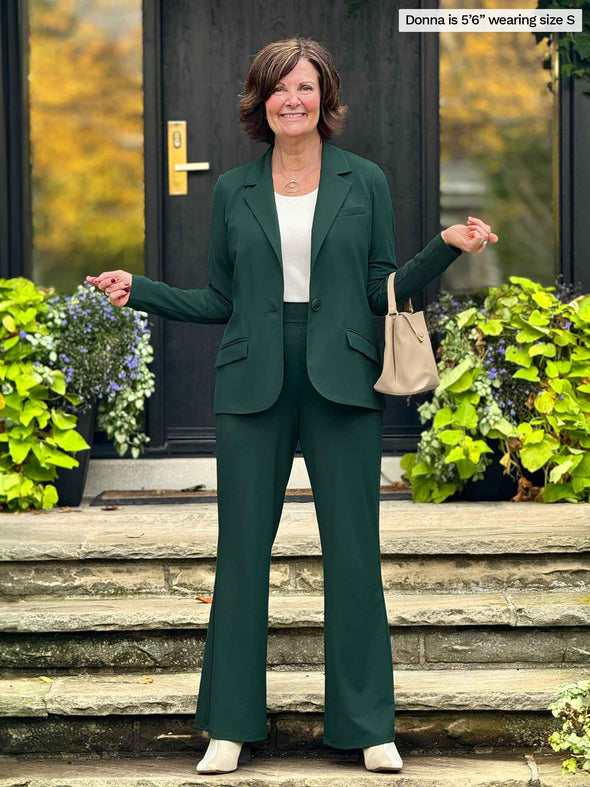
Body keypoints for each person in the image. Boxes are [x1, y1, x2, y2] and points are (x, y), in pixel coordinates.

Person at [86, 37, 497, 775]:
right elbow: (219, 298)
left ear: (325, 98)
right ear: (261, 101)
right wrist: (139, 290)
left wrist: (443, 246)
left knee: (354, 556)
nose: (292, 100)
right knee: (242, 554)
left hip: (342, 378)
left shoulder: (364, 180)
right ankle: (230, 725)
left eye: (305, 87)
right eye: (279, 88)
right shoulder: (231, 190)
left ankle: (369, 725)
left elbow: (381, 291)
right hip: (252, 384)